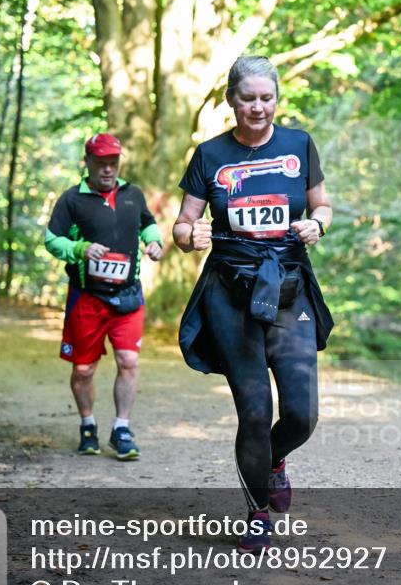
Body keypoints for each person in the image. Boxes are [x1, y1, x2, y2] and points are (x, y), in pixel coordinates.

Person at [174, 56, 334, 552]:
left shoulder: (299, 144)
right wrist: (190, 235)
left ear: (277, 100)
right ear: (232, 100)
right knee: (254, 412)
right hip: (230, 294)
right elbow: (182, 224)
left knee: (302, 415)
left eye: (267, 98)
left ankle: (274, 461)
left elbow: (322, 204)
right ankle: (258, 512)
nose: (258, 107)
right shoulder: (209, 155)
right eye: (248, 98)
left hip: (288, 289)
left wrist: (318, 224)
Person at [45, 133, 164, 460]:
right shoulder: (72, 200)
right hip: (87, 298)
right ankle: (88, 425)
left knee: (129, 361)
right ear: (87, 162)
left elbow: (148, 224)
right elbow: (52, 240)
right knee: (84, 369)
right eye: (101, 163)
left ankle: (121, 429)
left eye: (113, 163)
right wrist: (79, 249)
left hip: (128, 297)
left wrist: (155, 242)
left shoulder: (132, 194)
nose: (108, 169)